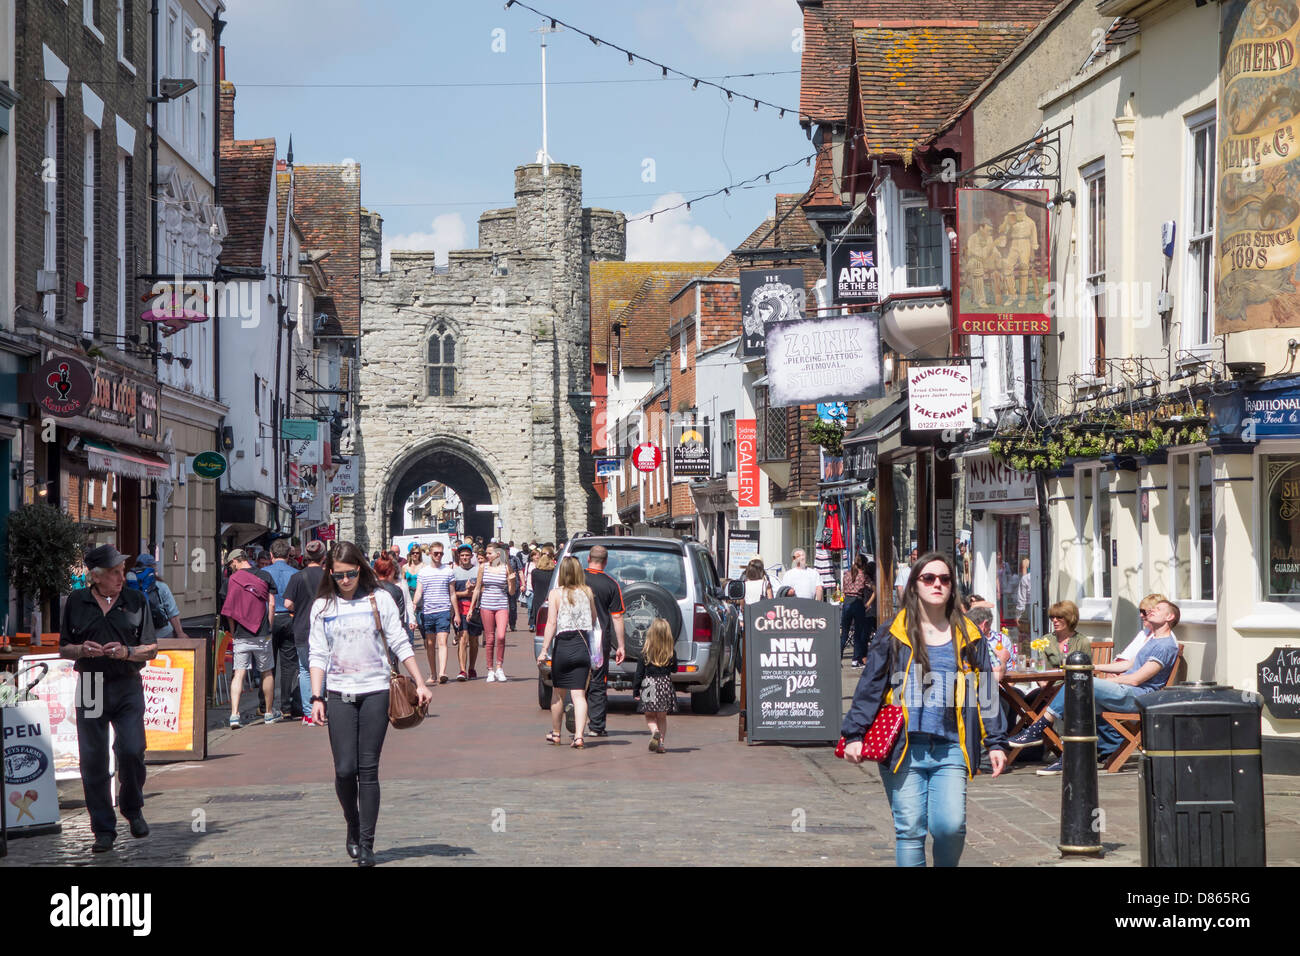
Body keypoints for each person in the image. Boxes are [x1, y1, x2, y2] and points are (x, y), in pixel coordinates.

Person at [841, 550, 1007, 867]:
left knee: (950, 828)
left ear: (952, 586)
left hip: (951, 748)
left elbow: (985, 692)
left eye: (944, 578)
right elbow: (870, 688)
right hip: (904, 747)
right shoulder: (894, 633)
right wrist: (854, 735)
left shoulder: (969, 635)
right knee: (910, 830)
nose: (937, 584)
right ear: (915, 584)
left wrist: (995, 742)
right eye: (928, 578)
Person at [307, 541, 432, 867]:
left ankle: (366, 843)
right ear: (330, 575)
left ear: (360, 569)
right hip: (339, 694)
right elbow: (317, 653)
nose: (345, 581)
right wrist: (316, 695)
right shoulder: (323, 607)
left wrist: (419, 681)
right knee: (344, 769)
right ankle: (352, 822)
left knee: (368, 770)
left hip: (376, 691)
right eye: (338, 576)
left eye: (350, 574)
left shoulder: (380, 600)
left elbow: (399, 641)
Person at [59, 544, 158, 853]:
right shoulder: (77, 601)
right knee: (93, 761)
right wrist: (81, 650)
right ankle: (103, 829)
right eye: (114, 572)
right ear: (97, 577)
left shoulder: (135, 600)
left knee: (131, 749)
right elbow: (64, 647)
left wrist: (127, 652)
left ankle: (132, 806)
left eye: (121, 570)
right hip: (90, 682)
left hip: (126, 682)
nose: (121, 576)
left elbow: (152, 648)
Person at [1008, 600, 1182, 765]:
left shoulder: (1165, 646)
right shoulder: (1153, 640)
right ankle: (1069, 757)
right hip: (1127, 691)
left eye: (1158, 609)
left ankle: (1038, 729)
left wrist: (1106, 681)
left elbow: (1136, 680)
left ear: (1169, 617)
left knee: (1079, 684)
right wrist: (1091, 666)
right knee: (1079, 701)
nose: (1152, 610)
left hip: (1138, 697)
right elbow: (1129, 664)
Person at [537, 555, 598, 748]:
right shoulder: (587, 592)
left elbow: (552, 623)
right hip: (582, 646)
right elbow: (594, 620)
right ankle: (579, 736)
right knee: (579, 695)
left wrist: (544, 649)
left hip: (563, 646)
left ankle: (556, 733)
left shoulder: (555, 594)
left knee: (558, 694)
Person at [219, 549, 278, 728]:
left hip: (241, 635)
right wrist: (268, 626)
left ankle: (234, 715)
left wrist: (233, 632)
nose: (231, 568)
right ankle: (268, 713)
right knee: (266, 671)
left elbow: (229, 610)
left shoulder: (231, 581)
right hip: (262, 633)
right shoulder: (265, 575)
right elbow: (272, 604)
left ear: (236, 561)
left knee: (239, 673)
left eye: (231, 565)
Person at [582, 545, 628, 738]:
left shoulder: (577, 579)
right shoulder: (611, 584)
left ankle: (572, 719)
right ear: (606, 562)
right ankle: (596, 726)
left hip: (574, 636)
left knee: (575, 680)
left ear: (588, 559)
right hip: (599, 640)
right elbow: (617, 617)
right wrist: (621, 645)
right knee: (598, 682)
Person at [283, 540, 328, 725]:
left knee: (304, 670)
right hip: (324, 629)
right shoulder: (328, 577)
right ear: (324, 557)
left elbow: (287, 604)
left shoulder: (297, 577)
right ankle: (321, 709)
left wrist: (299, 607)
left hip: (302, 628)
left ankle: (309, 713)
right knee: (321, 668)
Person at [266, 539, 302, 720]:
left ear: (271, 555)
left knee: (267, 664)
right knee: (289, 665)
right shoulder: (296, 574)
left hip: (269, 620)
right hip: (289, 618)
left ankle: (265, 705)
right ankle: (286, 706)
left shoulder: (263, 573)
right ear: (288, 555)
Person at [412, 542, 458, 685]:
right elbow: (419, 591)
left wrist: (456, 613)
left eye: (441, 553)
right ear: (430, 554)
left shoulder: (448, 571)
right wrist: (413, 605)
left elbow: (452, 594)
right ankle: (432, 674)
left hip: (443, 611)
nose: (439, 556)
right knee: (430, 644)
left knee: (442, 642)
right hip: (428, 611)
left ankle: (442, 672)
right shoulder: (423, 572)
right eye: (436, 553)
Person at [471, 543, 514, 683]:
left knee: (501, 636)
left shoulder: (506, 568)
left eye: (490, 553)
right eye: (486, 554)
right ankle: (490, 669)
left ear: (498, 554)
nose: (487, 556)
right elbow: (477, 588)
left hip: (501, 605)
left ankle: (499, 667)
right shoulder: (483, 567)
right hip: (486, 605)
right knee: (489, 639)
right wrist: (472, 607)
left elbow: (511, 592)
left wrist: (512, 582)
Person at [634, 617, 678, 754]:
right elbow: (675, 669)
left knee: (649, 715)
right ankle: (661, 744)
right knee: (662, 717)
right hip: (664, 683)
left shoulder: (645, 652)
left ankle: (655, 731)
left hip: (649, 685)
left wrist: (636, 690)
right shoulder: (671, 652)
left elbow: (639, 674)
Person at [125, 554, 186, 641]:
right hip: (163, 634)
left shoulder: (128, 586)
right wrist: (180, 633)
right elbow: (172, 612)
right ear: (153, 567)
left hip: (137, 636)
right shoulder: (160, 586)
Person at [453, 544, 482, 680]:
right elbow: (451, 593)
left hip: (475, 609)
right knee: (463, 638)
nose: (464, 557)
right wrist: (465, 592)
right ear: (459, 556)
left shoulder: (478, 570)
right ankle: (462, 670)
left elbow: (483, 589)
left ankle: (472, 668)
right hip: (460, 609)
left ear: (471, 556)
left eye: (467, 555)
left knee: (474, 640)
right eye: (462, 555)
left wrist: (474, 590)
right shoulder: (454, 572)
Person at [374, 555, 418, 644]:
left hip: (402, 623)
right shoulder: (375, 587)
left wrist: (412, 620)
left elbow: (408, 602)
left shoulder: (402, 583)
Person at [1041, 600, 1091, 669]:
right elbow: (1042, 668)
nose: (1054, 620)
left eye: (1059, 617)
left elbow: (1087, 669)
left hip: (1075, 678)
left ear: (1070, 618)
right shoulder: (1045, 640)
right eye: (1052, 617)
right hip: (1051, 679)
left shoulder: (1081, 641)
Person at [840, 554, 871, 662]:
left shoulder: (847, 574)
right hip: (858, 602)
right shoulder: (863, 575)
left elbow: (843, 589)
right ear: (863, 564)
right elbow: (872, 587)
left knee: (844, 632)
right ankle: (855, 660)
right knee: (858, 633)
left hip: (847, 602)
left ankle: (838, 657)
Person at [529, 549, 555, 631]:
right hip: (550, 596)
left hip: (538, 596)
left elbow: (533, 584)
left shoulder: (535, 572)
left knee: (537, 615)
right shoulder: (553, 572)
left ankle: (534, 625)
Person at [1014, 557, 1032, 642]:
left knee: (1026, 635)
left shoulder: (1026, 578)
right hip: (1034, 608)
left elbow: (1021, 599)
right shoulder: (1041, 576)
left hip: (1028, 608)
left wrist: (1018, 616)